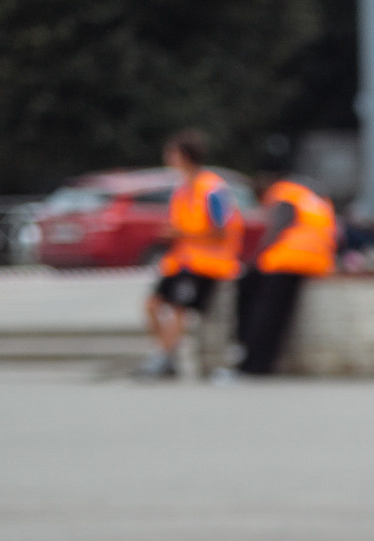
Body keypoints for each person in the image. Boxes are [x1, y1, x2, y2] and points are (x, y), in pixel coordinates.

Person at [137, 131, 244, 381]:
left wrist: (182, 232)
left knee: (177, 307)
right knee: (152, 305)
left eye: (172, 152)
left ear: (184, 156)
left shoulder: (211, 189)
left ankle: (163, 358)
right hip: (183, 261)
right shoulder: (183, 188)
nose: (168, 157)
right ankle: (166, 354)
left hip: (207, 264)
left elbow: (221, 231)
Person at [222, 170, 336, 381]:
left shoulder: (281, 193)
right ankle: (262, 363)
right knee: (278, 314)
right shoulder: (307, 195)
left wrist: (257, 258)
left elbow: (279, 228)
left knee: (262, 310)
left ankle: (250, 361)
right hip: (317, 259)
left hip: (287, 258)